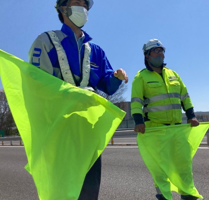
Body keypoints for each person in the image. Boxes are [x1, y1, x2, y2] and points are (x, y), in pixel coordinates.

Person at [29, 0, 128, 199]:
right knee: (61, 188)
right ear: (62, 8)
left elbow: (106, 86)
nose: (82, 8)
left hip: (88, 129)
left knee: (89, 188)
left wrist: (116, 77)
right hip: (58, 128)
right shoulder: (46, 41)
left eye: (85, 4)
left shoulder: (96, 50)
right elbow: (38, 85)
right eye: (76, 2)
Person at [130, 39, 199, 200]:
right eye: (155, 51)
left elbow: (185, 97)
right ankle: (163, 196)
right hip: (156, 129)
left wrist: (191, 116)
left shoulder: (173, 74)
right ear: (147, 56)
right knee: (160, 166)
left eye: (162, 50)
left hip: (177, 128)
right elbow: (136, 102)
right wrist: (138, 121)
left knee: (183, 163)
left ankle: (188, 193)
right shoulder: (141, 77)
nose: (160, 54)